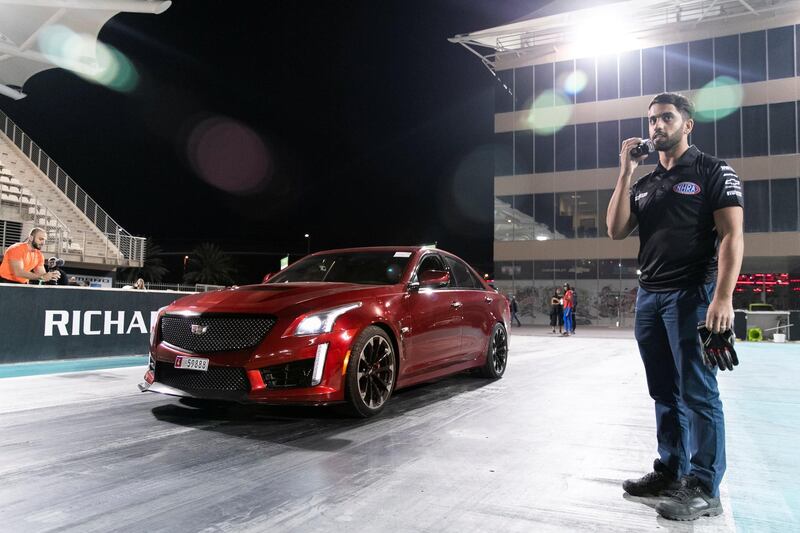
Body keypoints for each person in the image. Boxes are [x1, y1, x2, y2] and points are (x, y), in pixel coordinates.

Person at [606, 92, 744, 521]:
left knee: (698, 393)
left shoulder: (712, 170)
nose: (656, 126)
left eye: (666, 117)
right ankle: (670, 471)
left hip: (692, 296)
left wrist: (722, 298)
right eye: (651, 120)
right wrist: (626, 171)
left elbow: (732, 236)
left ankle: (705, 486)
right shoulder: (646, 184)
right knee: (663, 391)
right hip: (650, 297)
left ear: (688, 125)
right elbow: (615, 229)